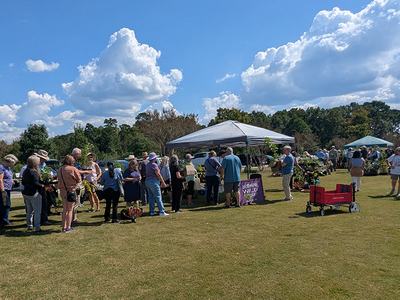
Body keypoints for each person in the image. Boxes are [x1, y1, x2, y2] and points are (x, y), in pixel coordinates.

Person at [57, 155, 81, 233]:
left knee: (64, 209)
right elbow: (79, 180)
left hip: (62, 191)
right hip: (71, 190)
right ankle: (68, 227)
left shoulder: (60, 169)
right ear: (71, 161)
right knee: (70, 210)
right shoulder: (73, 169)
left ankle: (63, 227)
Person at [22, 155, 44, 232]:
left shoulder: (26, 170)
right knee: (37, 211)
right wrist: (43, 185)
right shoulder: (33, 172)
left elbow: (23, 182)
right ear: (35, 162)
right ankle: (37, 227)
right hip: (34, 193)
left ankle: (29, 225)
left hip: (26, 192)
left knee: (29, 211)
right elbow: (36, 183)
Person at [145, 152, 168, 216]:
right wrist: (163, 182)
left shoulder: (147, 165)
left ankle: (152, 211)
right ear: (154, 158)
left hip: (147, 181)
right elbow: (158, 174)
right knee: (158, 196)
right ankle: (161, 211)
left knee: (151, 197)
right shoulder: (154, 165)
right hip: (153, 182)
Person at [0, 154, 18, 227]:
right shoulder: (1, 168)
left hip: (8, 189)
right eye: (13, 163)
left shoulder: (8, 168)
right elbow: (0, 180)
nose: (13, 165)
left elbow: (7, 178)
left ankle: (5, 220)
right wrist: (3, 190)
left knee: (6, 205)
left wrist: (13, 180)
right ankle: (4, 221)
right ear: (9, 161)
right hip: (3, 190)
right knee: (5, 205)